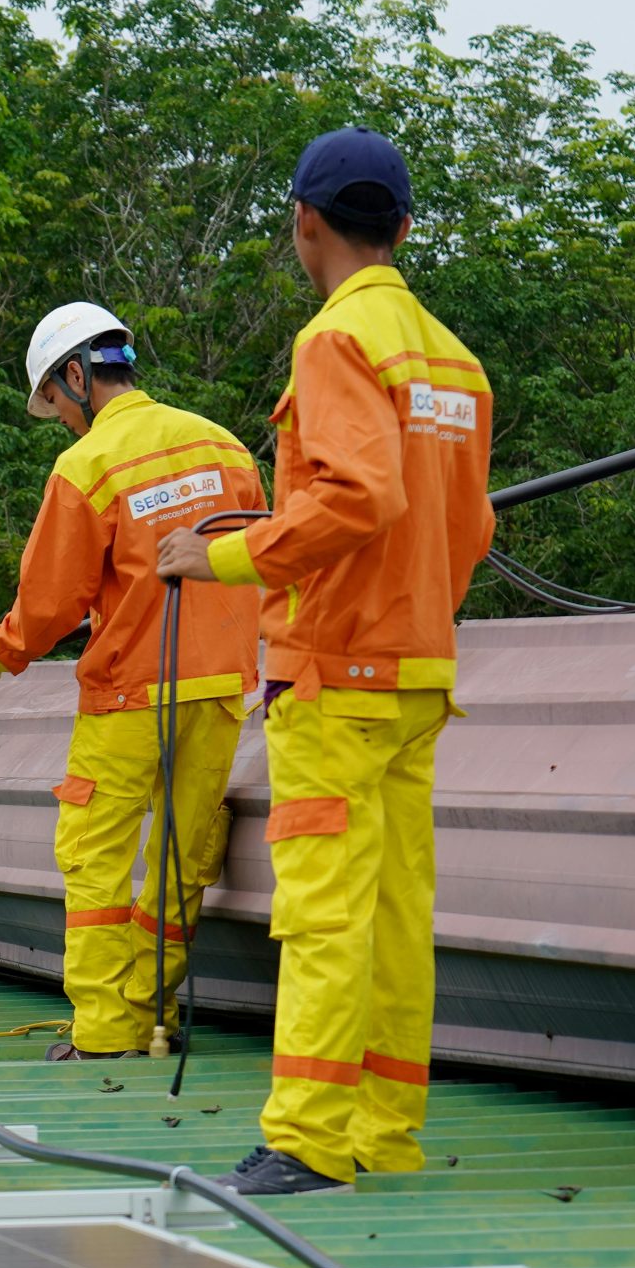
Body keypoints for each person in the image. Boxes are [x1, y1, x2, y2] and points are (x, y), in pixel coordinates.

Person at [158, 127, 494, 1194]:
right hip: (415, 670)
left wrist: (221, 558)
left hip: (336, 672)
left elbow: (356, 495)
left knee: (325, 910)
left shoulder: (336, 342)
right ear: (401, 226)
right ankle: (379, 1133)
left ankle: (305, 1141)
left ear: (304, 223)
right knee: (396, 914)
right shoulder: (450, 359)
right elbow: (467, 527)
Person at [0, 304, 264, 1062]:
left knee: (95, 858)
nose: (59, 419)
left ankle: (102, 1035)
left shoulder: (88, 466)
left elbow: (48, 605)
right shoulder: (225, 445)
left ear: (78, 376)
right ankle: (152, 1015)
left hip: (129, 694)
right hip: (221, 689)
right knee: (182, 861)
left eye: (55, 402)